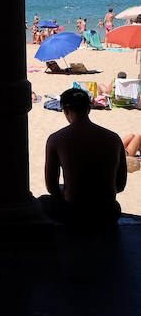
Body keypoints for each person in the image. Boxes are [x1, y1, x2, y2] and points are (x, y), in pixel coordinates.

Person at [40, 88, 126, 227]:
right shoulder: (113, 138)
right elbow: (120, 185)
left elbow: (52, 188)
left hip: (75, 214)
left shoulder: (56, 139)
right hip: (108, 213)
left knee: (42, 201)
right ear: (89, 108)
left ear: (65, 110)